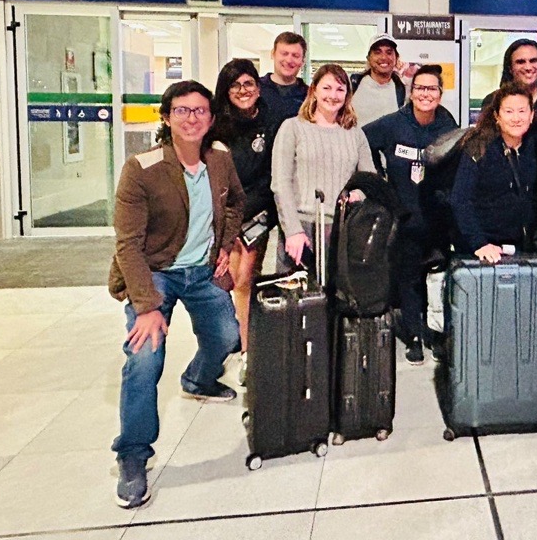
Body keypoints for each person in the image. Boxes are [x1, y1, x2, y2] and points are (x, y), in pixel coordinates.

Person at [109, 80, 246, 509]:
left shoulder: (220, 159)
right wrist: (147, 307)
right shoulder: (142, 168)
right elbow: (127, 244)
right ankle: (133, 455)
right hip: (155, 274)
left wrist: (224, 245)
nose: (192, 118)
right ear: (166, 117)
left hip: (202, 270)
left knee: (228, 336)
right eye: (183, 111)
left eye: (200, 111)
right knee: (145, 358)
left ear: (210, 117)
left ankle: (199, 379)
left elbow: (234, 203)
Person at [363, 65, 459, 364]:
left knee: (437, 277)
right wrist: (378, 182)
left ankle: (436, 333)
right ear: (411, 92)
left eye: (432, 89)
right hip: (405, 216)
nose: (425, 94)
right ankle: (414, 335)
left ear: (440, 94)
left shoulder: (447, 124)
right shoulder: (394, 124)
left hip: (439, 217)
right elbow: (361, 141)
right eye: (420, 88)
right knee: (408, 277)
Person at [210, 59, 279, 385]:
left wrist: (252, 211)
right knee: (224, 281)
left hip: (258, 213)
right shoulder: (215, 126)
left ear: (258, 86)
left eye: (248, 83)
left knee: (245, 281)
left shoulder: (270, 120)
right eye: (235, 85)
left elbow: (272, 171)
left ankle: (249, 354)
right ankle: (227, 342)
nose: (242, 90)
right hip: (221, 216)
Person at [271, 64, 375, 269]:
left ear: (347, 95)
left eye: (340, 89)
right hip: (302, 228)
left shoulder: (354, 133)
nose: (333, 95)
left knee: (338, 297)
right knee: (301, 296)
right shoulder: (292, 127)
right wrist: (292, 230)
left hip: (343, 228)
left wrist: (358, 194)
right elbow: (280, 184)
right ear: (314, 91)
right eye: (326, 88)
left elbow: (369, 178)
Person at [482, 39, 537, 244]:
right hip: (502, 203)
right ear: (510, 68)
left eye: (534, 60)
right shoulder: (492, 102)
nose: (528, 67)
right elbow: (495, 149)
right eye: (521, 62)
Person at [450, 82, 537, 263]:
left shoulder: (533, 146)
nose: (516, 118)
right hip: (481, 248)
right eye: (509, 111)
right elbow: (460, 198)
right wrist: (479, 243)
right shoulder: (479, 146)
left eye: (522, 111)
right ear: (497, 116)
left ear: (531, 115)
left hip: (518, 247)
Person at [351, 34, 408, 125]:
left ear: (396, 58)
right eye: (377, 52)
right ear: (368, 58)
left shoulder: (403, 89)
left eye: (389, 52)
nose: (384, 57)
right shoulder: (352, 85)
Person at [258, 31, 308, 129]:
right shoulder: (256, 89)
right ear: (273, 54)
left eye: (295, 56)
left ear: (303, 61)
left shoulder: (309, 96)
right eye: (284, 54)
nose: (289, 60)